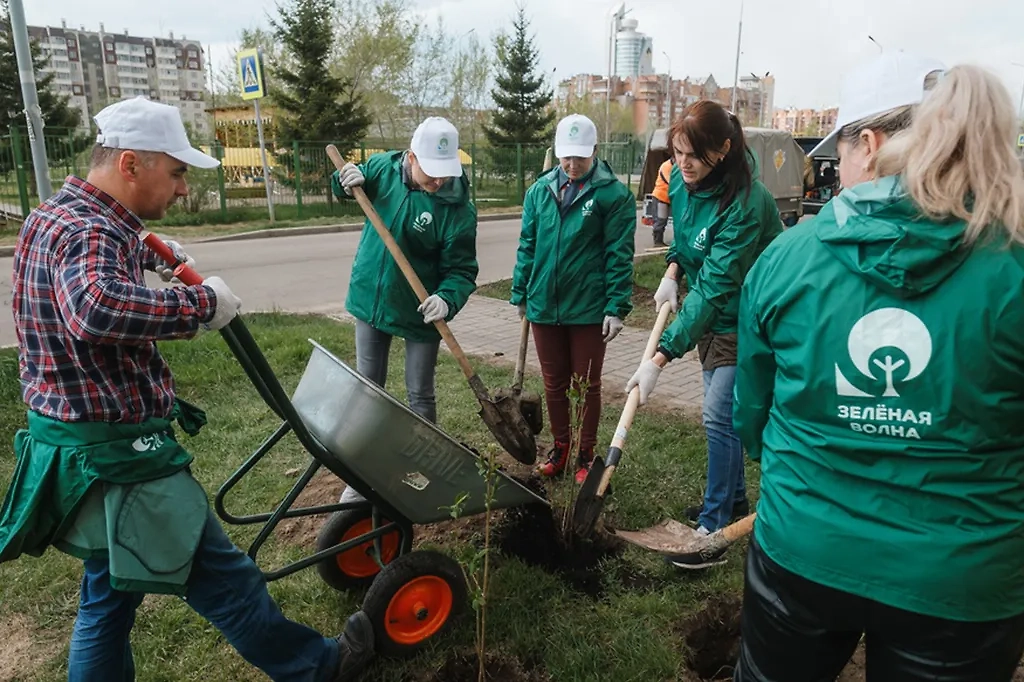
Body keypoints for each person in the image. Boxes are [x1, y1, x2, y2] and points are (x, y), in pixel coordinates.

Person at [0, 96, 374, 682]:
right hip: (119, 457)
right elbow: (95, 309)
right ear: (130, 163)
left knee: (109, 594)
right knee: (225, 579)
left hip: (74, 442)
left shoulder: (55, 215)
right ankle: (319, 669)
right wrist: (199, 304)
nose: (182, 189)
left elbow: (88, 283)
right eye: (175, 173)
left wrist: (146, 252)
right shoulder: (92, 230)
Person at [731, 55, 1024, 681]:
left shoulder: (788, 259)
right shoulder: (1011, 264)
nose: (837, 172)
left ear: (868, 144)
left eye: (838, 155)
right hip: (960, 581)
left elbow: (752, 415)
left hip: (805, 547)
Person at [624, 101, 783, 567]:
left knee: (718, 416)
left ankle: (713, 528)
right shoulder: (681, 179)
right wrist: (672, 270)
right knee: (721, 417)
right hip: (712, 317)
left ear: (723, 149)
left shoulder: (747, 202)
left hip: (748, 317)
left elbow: (716, 286)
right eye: (677, 152)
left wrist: (659, 358)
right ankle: (733, 501)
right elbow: (687, 239)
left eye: (694, 154)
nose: (683, 163)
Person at [510, 113, 636, 482]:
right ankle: (562, 447)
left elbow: (618, 254)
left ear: (595, 151)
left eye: (579, 157)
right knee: (554, 382)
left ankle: (585, 453)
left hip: (588, 308)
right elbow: (528, 245)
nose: (572, 164)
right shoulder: (540, 191)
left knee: (585, 384)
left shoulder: (613, 196)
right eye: (566, 156)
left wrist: (616, 306)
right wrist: (521, 290)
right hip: (544, 304)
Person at [650, 157, 673, 246]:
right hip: (661, 197)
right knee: (660, 219)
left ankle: (659, 241)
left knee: (663, 219)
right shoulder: (666, 166)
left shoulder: (676, 166)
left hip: (668, 198)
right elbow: (670, 182)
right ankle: (657, 241)